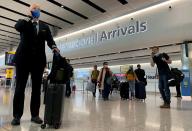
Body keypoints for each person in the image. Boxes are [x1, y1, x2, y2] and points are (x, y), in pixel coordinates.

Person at [11, 3, 60, 126]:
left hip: (38, 61)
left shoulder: (44, 26)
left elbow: (50, 40)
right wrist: (29, 16)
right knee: (20, 88)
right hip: (23, 60)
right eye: (34, 9)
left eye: (38, 9)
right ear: (30, 10)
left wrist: (54, 47)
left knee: (37, 89)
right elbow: (17, 27)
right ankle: (17, 116)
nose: (36, 10)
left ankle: (35, 115)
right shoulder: (24, 22)